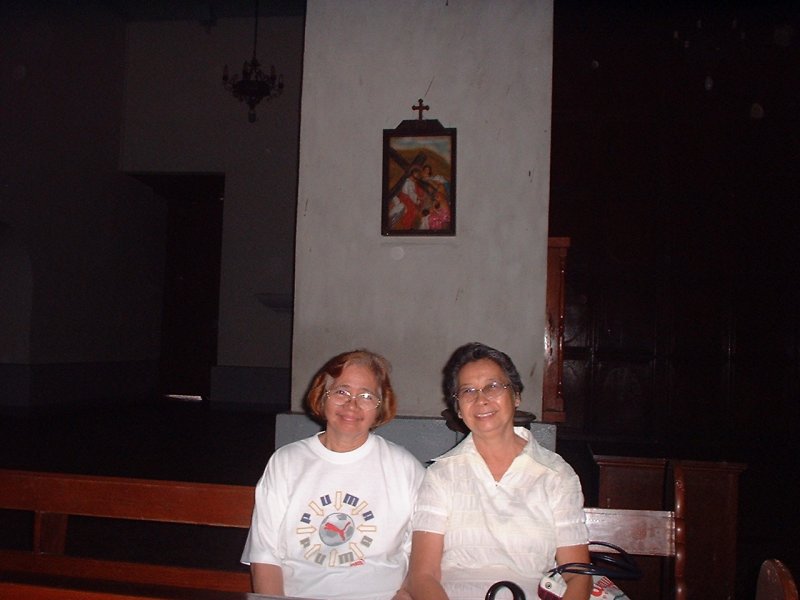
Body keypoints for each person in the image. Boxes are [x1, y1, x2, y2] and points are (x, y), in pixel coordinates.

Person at [405, 342, 592, 600]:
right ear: (458, 409)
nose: (481, 399)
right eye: (468, 391)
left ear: (516, 395)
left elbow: (577, 575)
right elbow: (422, 576)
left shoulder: (556, 474)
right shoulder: (441, 475)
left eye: (493, 386)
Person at [241, 349, 426, 600]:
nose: (352, 404)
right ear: (322, 396)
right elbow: (265, 557)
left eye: (366, 395)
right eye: (341, 391)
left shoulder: (404, 468)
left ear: (380, 407)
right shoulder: (286, 463)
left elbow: (421, 560)